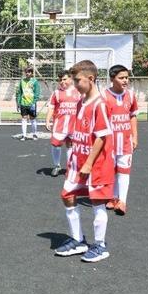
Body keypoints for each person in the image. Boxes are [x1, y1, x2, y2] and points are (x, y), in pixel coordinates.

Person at [53, 60, 115, 263]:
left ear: (91, 78)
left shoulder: (100, 104)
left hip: (96, 164)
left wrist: (88, 163)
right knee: (67, 195)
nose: (74, 84)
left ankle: (100, 245)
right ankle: (78, 240)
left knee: (98, 203)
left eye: (77, 80)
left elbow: (102, 136)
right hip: (77, 160)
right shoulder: (81, 101)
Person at [101, 65, 138, 216]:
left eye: (126, 77)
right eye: (121, 78)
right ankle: (113, 197)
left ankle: (122, 201)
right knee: (111, 171)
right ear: (112, 79)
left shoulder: (130, 95)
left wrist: (135, 136)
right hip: (109, 142)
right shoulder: (103, 96)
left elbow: (133, 116)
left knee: (124, 171)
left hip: (126, 141)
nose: (125, 81)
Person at [45, 70, 80, 177]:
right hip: (59, 126)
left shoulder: (78, 92)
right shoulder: (56, 93)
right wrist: (47, 120)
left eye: (64, 79)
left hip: (74, 126)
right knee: (55, 145)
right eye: (60, 80)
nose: (62, 82)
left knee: (71, 145)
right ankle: (57, 166)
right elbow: (51, 108)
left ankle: (70, 168)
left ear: (70, 79)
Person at [16, 66, 41, 140]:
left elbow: (37, 92)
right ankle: (24, 135)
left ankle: (34, 134)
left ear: (31, 73)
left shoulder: (35, 81)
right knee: (24, 119)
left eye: (29, 72)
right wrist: (18, 102)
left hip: (31, 104)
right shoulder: (22, 81)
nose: (27, 73)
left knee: (32, 119)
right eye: (26, 72)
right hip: (23, 103)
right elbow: (19, 93)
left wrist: (34, 102)